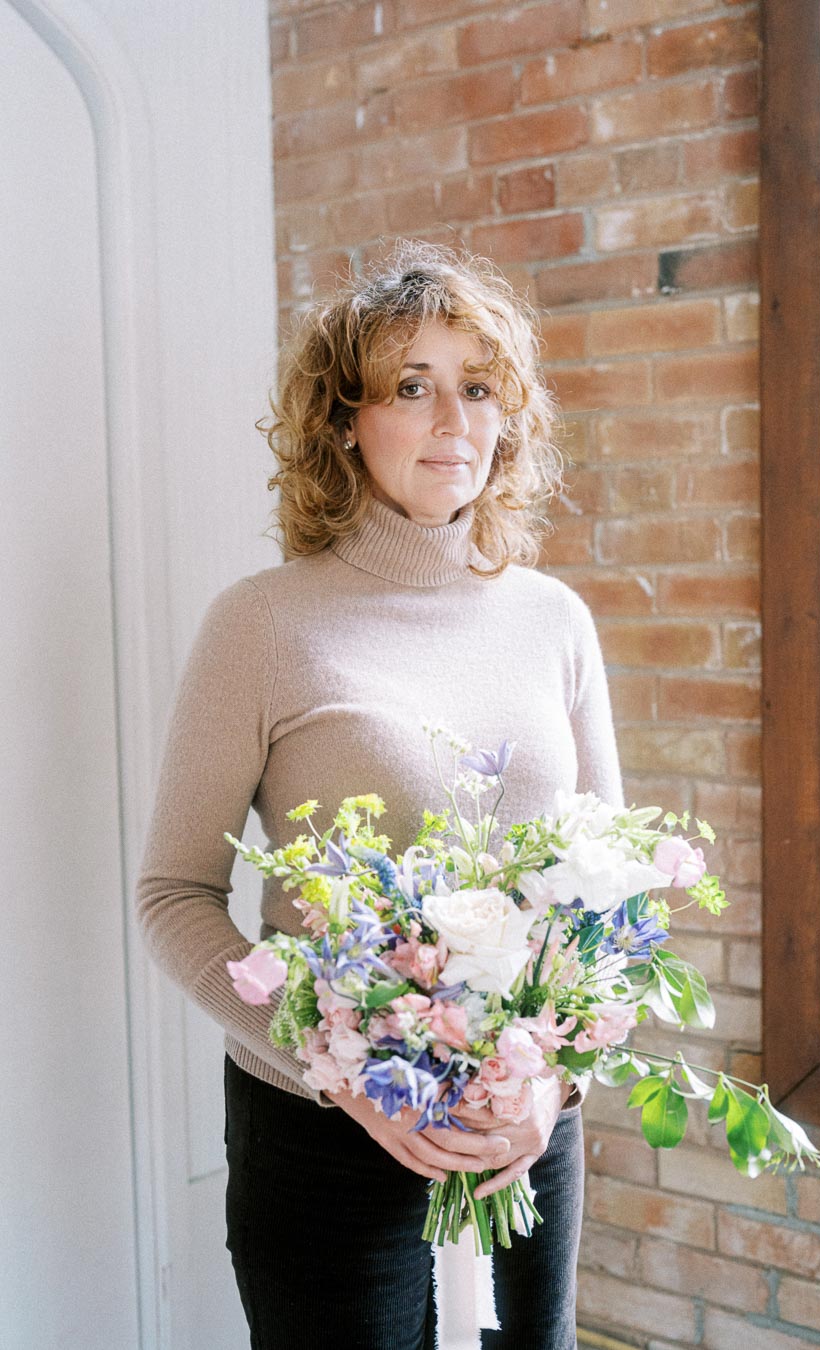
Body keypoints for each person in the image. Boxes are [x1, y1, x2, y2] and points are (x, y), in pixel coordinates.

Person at [135, 239, 623, 1350]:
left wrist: (550, 1089)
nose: (453, 417)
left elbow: (612, 903)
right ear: (344, 422)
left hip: (521, 1139)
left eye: (478, 385)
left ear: (508, 421)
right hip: (322, 1142)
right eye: (412, 386)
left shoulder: (554, 621)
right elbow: (174, 894)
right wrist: (343, 1074)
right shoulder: (262, 624)